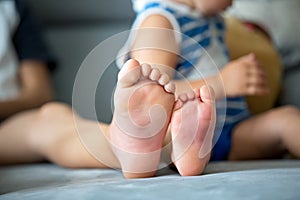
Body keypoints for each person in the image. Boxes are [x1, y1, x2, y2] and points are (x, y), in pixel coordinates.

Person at [0, 0, 299, 180]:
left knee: (286, 119)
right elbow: (154, 90)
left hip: (231, 132)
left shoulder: (213, 24)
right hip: (171, 138)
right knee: (52, 123)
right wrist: (221, 83)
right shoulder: (160, 22)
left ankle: (133, 146)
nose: (234, 2)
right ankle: (133, 145)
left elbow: (37, 93)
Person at [0, 0, 54, 121]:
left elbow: (39, 94)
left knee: (57, 113)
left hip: (10, 120)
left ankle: (104, 133)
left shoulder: (11, 8)